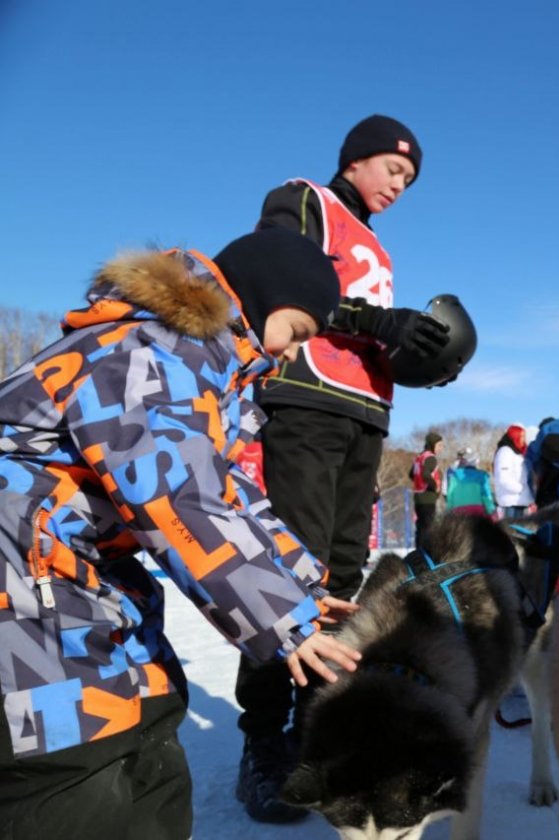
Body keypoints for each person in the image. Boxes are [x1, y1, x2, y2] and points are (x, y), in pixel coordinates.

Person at [0, 231, 362, 839]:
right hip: (22, 586)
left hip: (71, 572)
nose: (295, 355)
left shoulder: (190, 367)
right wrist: (283, 619)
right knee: (73, 757)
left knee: (149, 712)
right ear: (261, 298)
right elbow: (173, 496)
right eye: (297, 333)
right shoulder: (149, 352)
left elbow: (222, 491)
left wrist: (302, 584)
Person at [234, 114, 453, 823]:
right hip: (306, 402)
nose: (399, 187)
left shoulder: (380, 249)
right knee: (289, 571)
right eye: (394, 170)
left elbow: (369, 332)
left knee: (342, 572)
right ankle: (262, 741)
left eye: (410, 181)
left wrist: (417, 356)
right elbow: (282, 280)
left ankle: (313, 723)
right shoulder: (305, 200)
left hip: (365, 415)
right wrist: (378, 323)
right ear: (358, 159)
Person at [493, 424, 534, 519]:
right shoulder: (505, 452)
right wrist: (521, 489)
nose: (523, 440)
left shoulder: (517, 454)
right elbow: (503, 478)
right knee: (511, 532)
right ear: (515, 436)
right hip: (511, 504)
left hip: (520, 503)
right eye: (521, 436)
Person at [411, 431, 445, 545]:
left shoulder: (419, 457)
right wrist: (434, 486)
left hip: (418, 497)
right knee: (428, 527)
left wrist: (419, 483)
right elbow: (426, 474)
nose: (441, 448)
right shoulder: (430, 458)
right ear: (432, 444)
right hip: (427, 497)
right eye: (439, 445)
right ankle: (426, 554)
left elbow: (411, 474)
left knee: (420, 527)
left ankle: (419, 551)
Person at [445, 449, 496, 518]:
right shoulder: (481, 475)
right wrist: (492, 511)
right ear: (476, 463)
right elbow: (486, 496)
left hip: (458, 510)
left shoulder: (454, 475)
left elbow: (450, 495)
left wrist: (448, 511)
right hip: (476, 510)